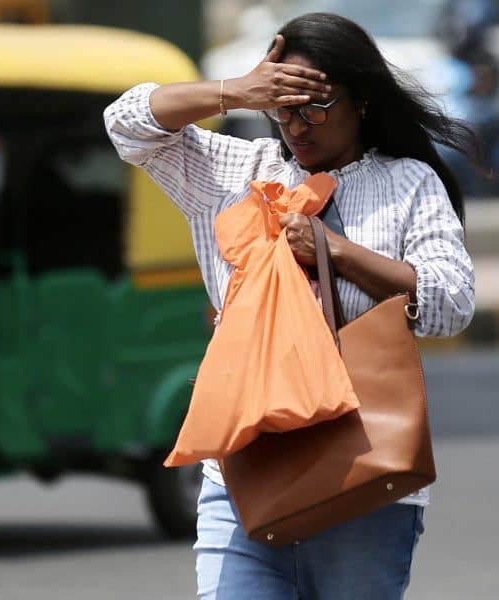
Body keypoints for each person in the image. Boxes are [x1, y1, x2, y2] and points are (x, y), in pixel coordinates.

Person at [104, 12, 476, 600]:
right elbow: (126, 123)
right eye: (284, 106)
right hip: (245, 467)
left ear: (362, 101)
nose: (297, 126)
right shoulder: (239, 171)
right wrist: (237, 91)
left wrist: (336, 251)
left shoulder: (409, 183)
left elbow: (450, 303)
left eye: (316, 106)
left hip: (362, 468)